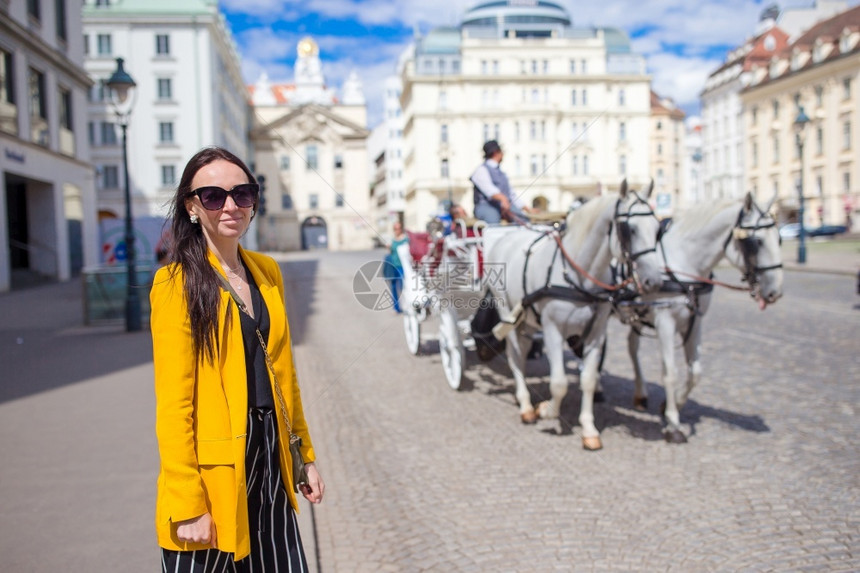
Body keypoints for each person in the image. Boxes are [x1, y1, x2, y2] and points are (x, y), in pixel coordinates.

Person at [150, 146, 324, 572]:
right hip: (216, 476)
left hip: (272, 458)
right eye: (212, 196)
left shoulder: (267, 272)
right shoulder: (176, 284)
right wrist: (188, 500)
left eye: (242, 193)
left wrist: (304, 456)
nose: (230, 205)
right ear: (192, 206)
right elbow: (174, 405)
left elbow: (286, 377)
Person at [470, 140, 529, 224]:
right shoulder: (481, 170)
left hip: (504, 205)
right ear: (496, 152)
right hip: (485, 206)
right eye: (502, 151)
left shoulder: (502, 174)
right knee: (493, 218)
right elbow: (489, 190)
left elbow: (511, 194)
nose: (503, 154)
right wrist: (503, 199)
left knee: (523, 219)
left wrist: (527, 209)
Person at [384, 220, 409, 313]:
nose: (397, 230)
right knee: (393, 286)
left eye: (398, 228)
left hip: (402, 266)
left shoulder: (406, 239)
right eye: (395, 229)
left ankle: (406, 303)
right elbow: (390, 253)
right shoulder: (391, 240)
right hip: (392, 266)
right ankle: (396, 307)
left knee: (403, 286)